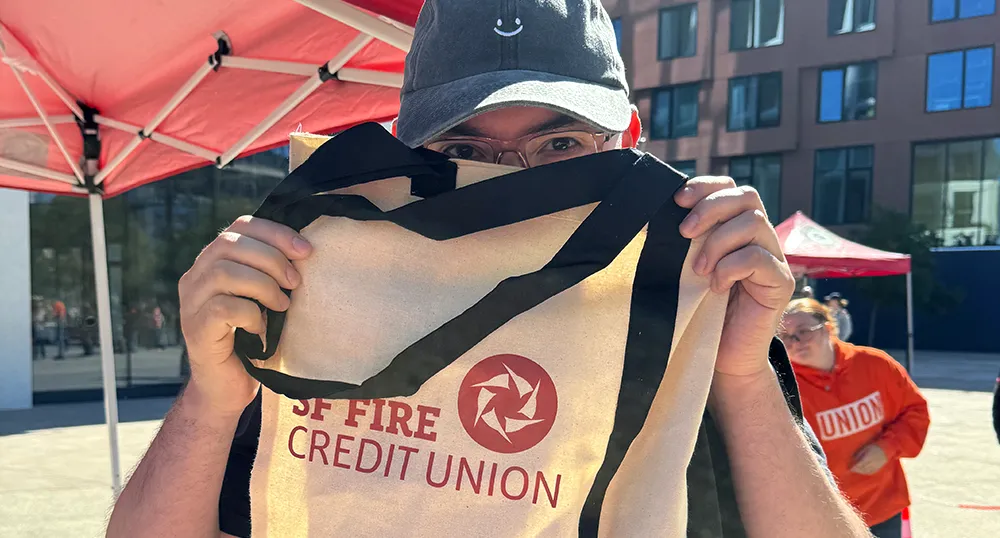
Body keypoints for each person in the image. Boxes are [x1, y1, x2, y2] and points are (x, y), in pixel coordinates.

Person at [107, 2, 871, 537]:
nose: (516, 186)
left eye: (562, 147)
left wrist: (739, 376)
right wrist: (212, 395)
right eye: (466, 152)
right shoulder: (316, 298)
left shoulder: (682, 304)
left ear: (628, 137)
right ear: (406, 149)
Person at [781, 298, 930, 538]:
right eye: (784, 336)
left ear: (829, 328)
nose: (794, 342)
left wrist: (888, 447)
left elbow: (915, 412)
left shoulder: (875, 364)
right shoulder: (783, 388)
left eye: (803, 332)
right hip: (825, 514)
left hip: (883, 506)